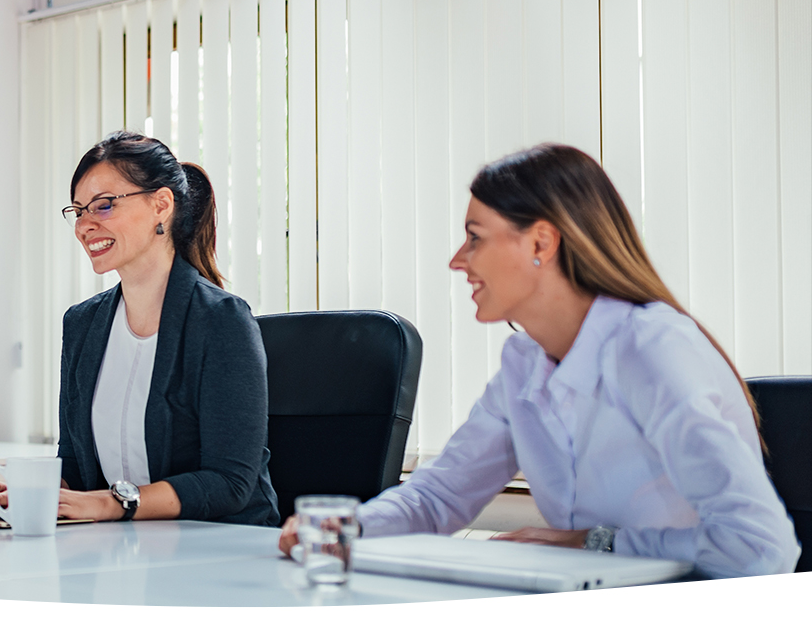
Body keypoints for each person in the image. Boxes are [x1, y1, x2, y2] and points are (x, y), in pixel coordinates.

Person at [278, 144, 799, 578]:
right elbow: (439, 498)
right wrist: (346, 527)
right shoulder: (524, 365)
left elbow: (762, 547)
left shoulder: (652, 351)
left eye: (475, 237)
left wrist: (597, 543)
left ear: (541, 242)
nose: (458, 260)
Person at [43, 131, 279, 526]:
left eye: (102, 206)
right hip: (123, 549)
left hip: (220, 549)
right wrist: (39, 492)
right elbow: (75, 462)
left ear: (161, 205)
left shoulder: (221, 320)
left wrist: (111, 504)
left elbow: (230, 481)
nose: (84, 226)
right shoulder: (82, 324)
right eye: (78, 211)